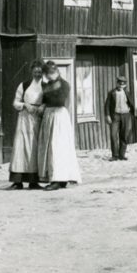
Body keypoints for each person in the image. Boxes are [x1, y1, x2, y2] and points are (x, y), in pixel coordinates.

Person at [36, 60, 82, 190]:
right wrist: (44, 103)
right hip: (49, 115)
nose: (49, 75)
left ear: (56, 72)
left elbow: (59, 100)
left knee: (57, 147)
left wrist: (46, 102)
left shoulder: (64, 84)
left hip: (58, 116)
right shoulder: (47, 85)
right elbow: (45, 99)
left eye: (50, 73)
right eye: (47, 73)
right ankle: (57, 178)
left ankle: (58, 179)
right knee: (50, 146)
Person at [9, 60, 45, 190]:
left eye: (40, 71)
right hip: (24, 119)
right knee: (21, 147)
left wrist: (42, 106)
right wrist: (25, 105)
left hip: (38, 119)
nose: (37, 73)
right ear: (31, 71)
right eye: (35, 71)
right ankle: (17, 181)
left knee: (35, 149)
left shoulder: (45, 86)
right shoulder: (24, 85)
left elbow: (49, 100)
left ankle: (33, 181)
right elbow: (15, 103)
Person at [104, 75, 135, 161]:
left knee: (124, 135)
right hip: (115, 116)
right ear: (117, 83)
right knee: (113, 135)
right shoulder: (112, 93)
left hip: (126, 115)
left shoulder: (127, 93)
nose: (121, 85)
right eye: (119, 83)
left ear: (125, 85)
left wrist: (131, 112)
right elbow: (107, 105)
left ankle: (122, 154)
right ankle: (115, 155)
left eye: (123, 83)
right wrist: (107, 115)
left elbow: (131, 103)